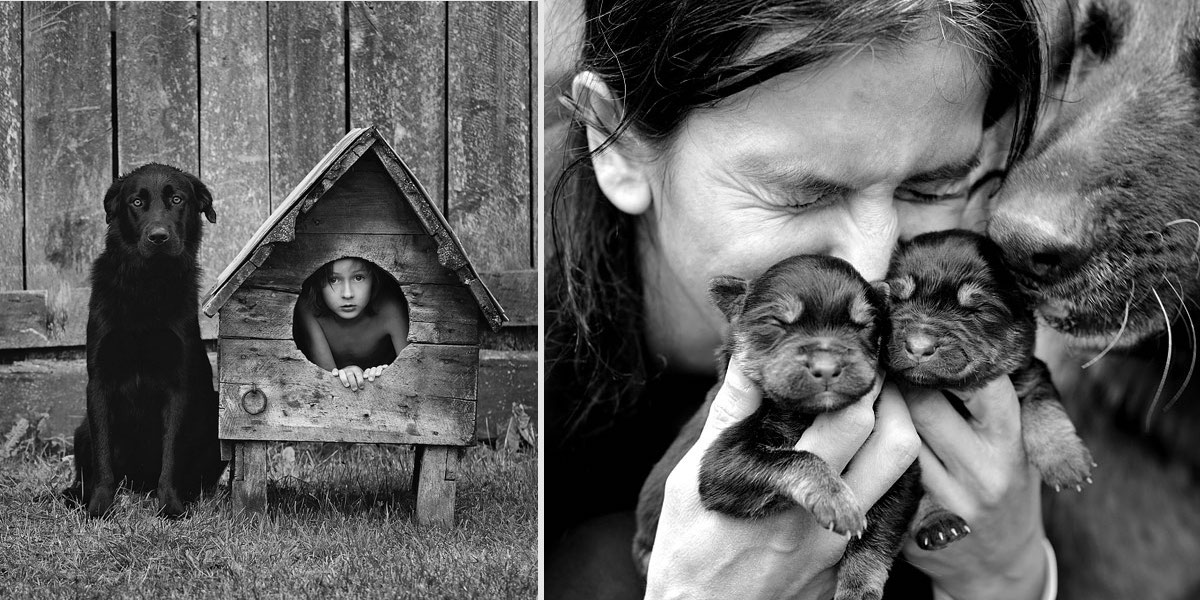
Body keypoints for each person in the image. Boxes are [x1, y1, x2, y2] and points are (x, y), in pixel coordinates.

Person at [545, 0, 1053, 598]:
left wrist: (1009, 573)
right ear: (618, 141)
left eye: (931, 187)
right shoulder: (539, 417)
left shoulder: (974, 341)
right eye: (801, 195)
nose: (869, 267)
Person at [294, 257, 410, 391]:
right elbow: (326, 382)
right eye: (333, 280)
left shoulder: (390, 308)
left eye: (358, 278)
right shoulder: (309, 310)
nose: (347, 294)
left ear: (374, 278)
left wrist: (385, 373)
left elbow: (410, 371)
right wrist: (346, 374)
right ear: (318, 283)